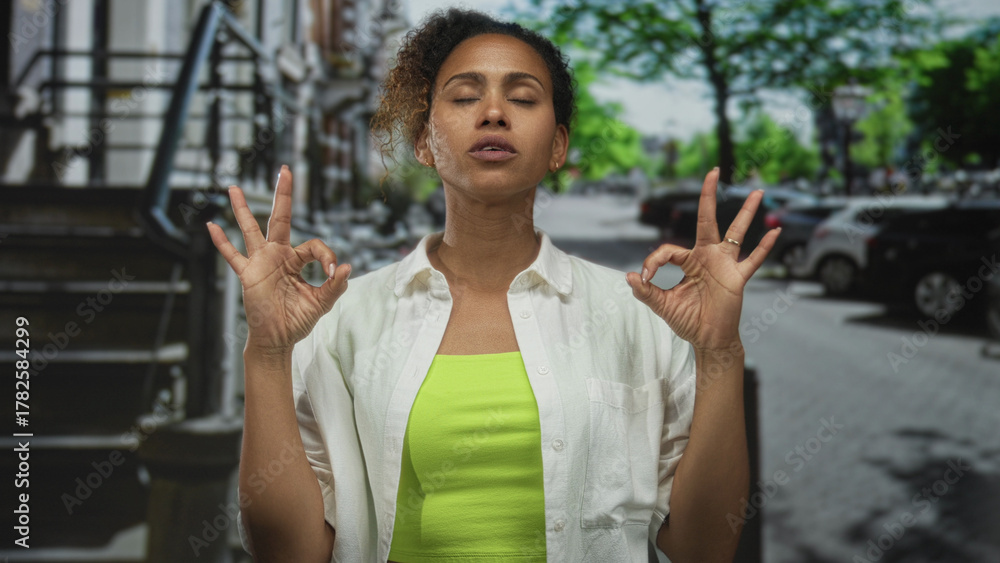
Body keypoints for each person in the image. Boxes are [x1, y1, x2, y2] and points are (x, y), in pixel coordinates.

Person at [206, 8, 780, 563]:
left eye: (523, 97)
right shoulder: (343, 318)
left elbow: (705, 550)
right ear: (426, 142)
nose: (494, 112)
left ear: (558, 146)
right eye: (464, 96)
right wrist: (269, 352)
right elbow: (290, 554)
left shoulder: (637, 318)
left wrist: (719, 352)